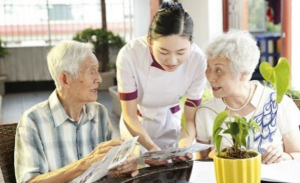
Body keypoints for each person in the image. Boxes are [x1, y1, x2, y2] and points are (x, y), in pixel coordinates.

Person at [14, 40, 138, 183]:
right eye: (91, 72)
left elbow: (108, 168)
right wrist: (84, 164)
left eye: (97, 71)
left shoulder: (99, 113)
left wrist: (126, 164)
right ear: (65, 79)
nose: (99, 78)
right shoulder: (33, 121)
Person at [116, 2, 207, 165]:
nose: (172, 61)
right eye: (163, 52)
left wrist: (184, 147)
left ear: (191, 42)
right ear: (150, 40)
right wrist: (151, 148)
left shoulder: (198, 60)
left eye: (181, 52)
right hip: (137, 123)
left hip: (172, 120)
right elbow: (129, 115)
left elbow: (190, 119)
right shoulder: (130, 55)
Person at [195, 29, 300, 164]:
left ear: (243, 73)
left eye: (219, 70)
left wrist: (284, 156)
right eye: (208, 67)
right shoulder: (206, 112)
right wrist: (213, 154)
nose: (211, 77)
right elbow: (201, 164)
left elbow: (297, 154)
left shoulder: (278, 103)